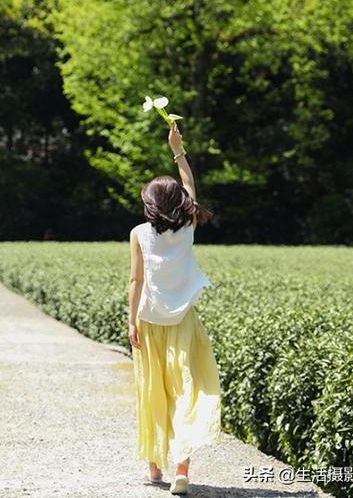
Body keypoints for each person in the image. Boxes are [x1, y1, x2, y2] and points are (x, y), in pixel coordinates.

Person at [128, 122, 222, 495]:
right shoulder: (187, 228)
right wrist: (177, 150)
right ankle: (181, 467)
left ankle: (154, 468)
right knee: (186, 388)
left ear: (149, 205)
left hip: (149, 322)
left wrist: (131, 321)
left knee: (152, 390)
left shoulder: (139, 233)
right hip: (183, 320)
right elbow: (191, 190)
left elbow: (135, 283)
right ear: (180, 205)